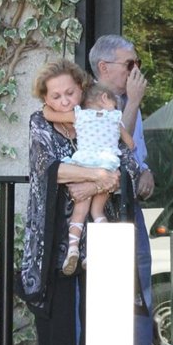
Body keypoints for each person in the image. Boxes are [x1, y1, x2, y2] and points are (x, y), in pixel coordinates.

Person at [19, 60, 122, 345]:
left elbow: (121, 165)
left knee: (101, 321)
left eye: (70, 92)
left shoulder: (99, 114)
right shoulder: (39, 123)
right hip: (52, 238)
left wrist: (93, 184)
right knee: (56, 321)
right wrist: (96, 175)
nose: (64, 100)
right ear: (45, 98)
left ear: (82, 88)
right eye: (56, 95)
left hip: (97, 233)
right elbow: (49, 168)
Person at [87, 35, 163, 345]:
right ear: (104, 68)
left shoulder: (130, 105)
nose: (137, 72)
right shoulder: (90, 103)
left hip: (130, 214)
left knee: (139, 303)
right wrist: (132, 103)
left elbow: (136, 156)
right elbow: (112, 152)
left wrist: (146, 172)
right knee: (99, 308)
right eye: (129, 65)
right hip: (101, 216)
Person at [42, 81, 135, 274]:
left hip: (84, 165)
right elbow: (131, 144)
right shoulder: (115, 119)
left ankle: (73, 249)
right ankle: (96, 253)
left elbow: (49, 115)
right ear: (104, 98)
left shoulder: (79, 115)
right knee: (98, 213)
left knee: (79, 212)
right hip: (106, 167)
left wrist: (46, 103)